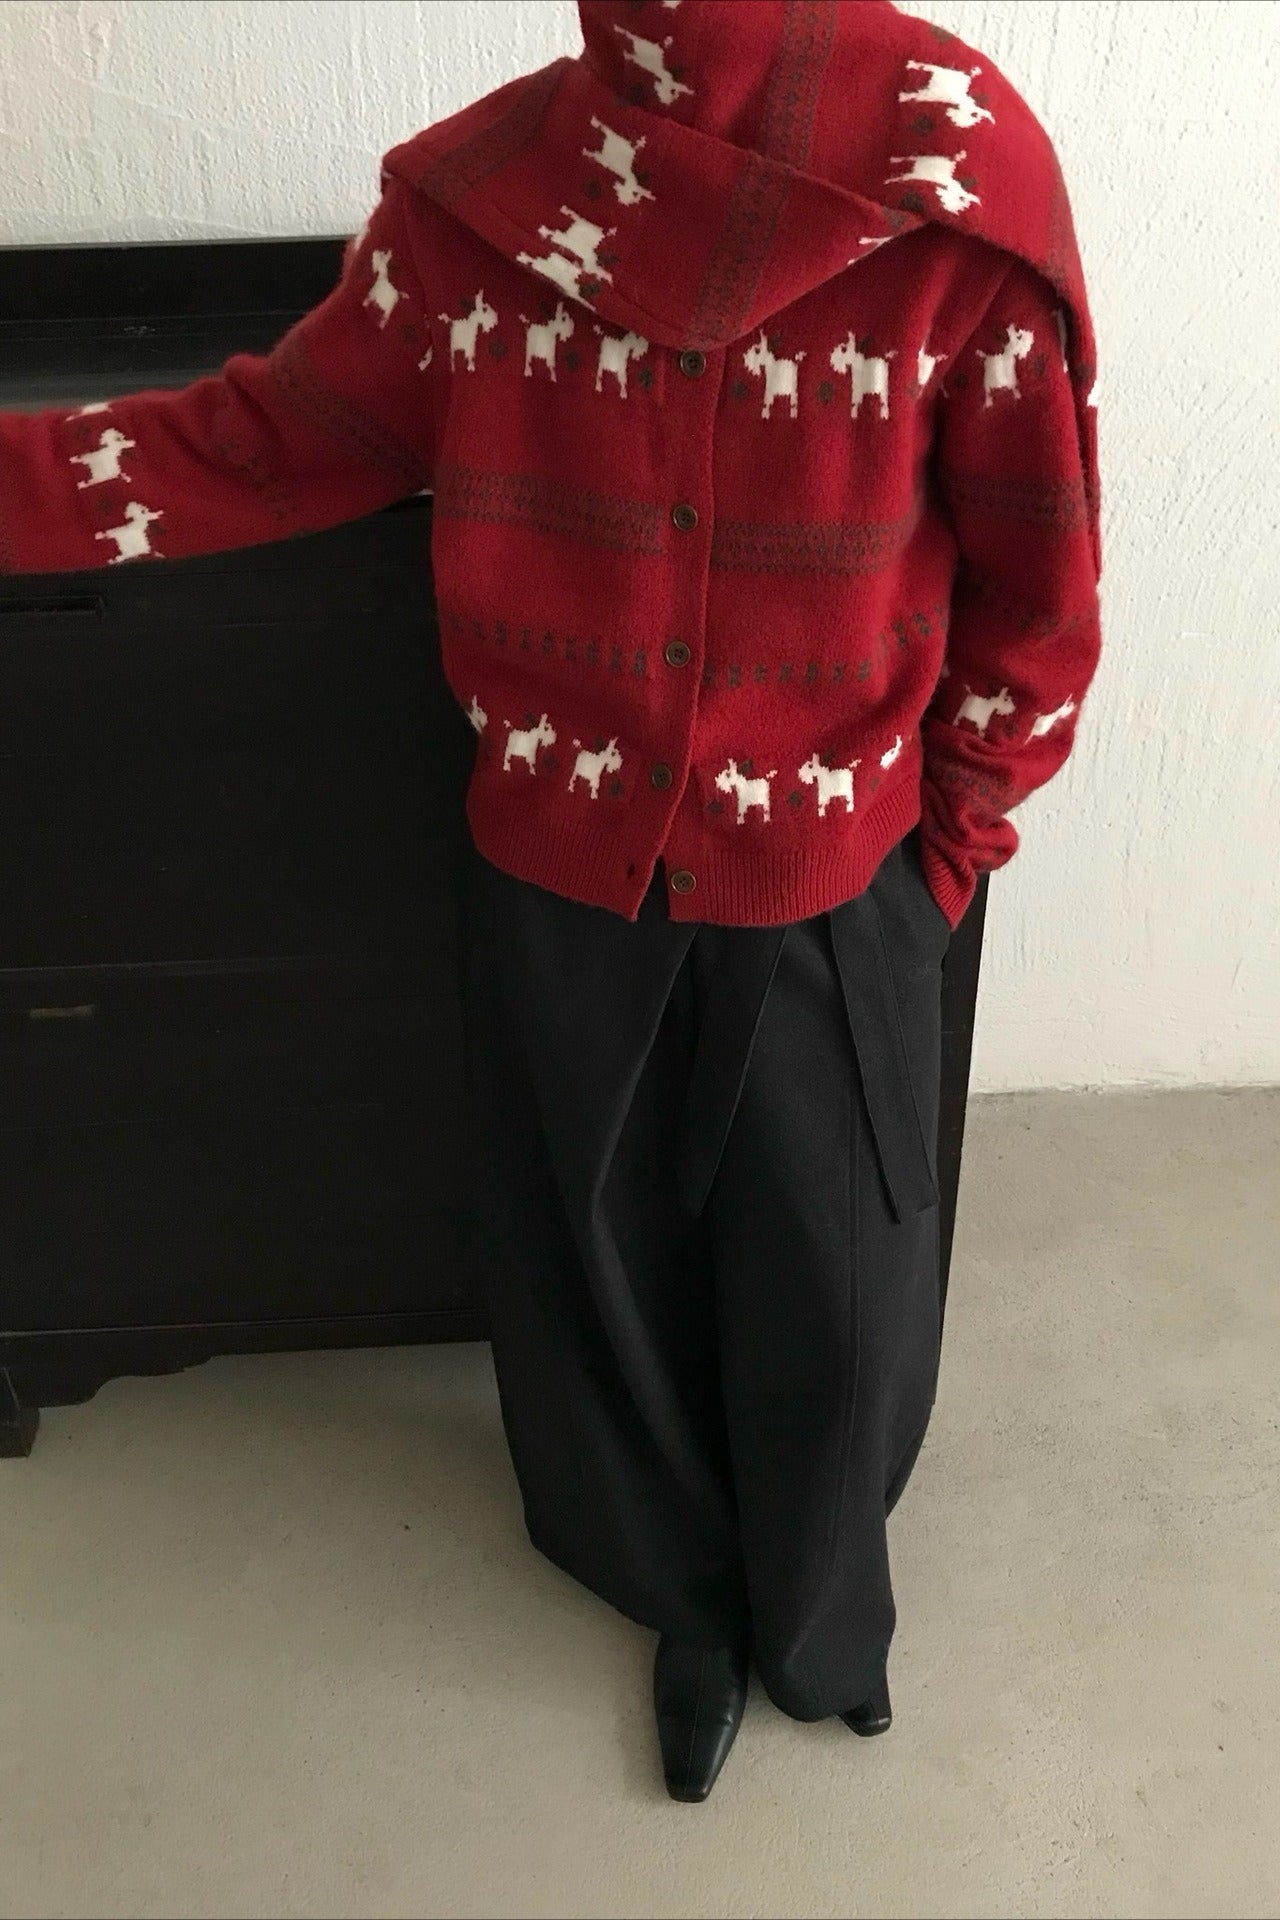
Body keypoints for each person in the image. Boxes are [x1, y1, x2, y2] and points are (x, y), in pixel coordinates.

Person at [0, 0, 1102, 1801]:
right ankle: (675, 1599)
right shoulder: (489, 204)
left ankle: (822, 1608)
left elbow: (1039, 569)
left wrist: (956, 839)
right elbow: (260, 442)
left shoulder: (956, 179)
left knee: (840, 1272)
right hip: (559, 856)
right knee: (590, 1259)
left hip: (839, 873)